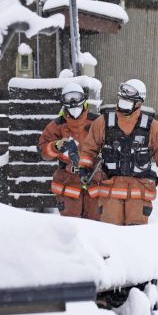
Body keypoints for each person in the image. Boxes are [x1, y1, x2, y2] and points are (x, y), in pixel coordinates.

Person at [78, 79, 158, 226]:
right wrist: (84, 169)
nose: (122, 102)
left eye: (128, 100)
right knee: (110, 232)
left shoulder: (152, 127)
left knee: (136, 234)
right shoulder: (103, 122)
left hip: (139, 190)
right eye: (121, 99)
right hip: (110, 188)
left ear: (138, 103)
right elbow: (88, 148)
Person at [37, 82, 99, 219]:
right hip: (68, 182)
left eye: (76, 97)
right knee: (71, 226)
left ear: (84, 99)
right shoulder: (57, 124)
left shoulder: (97, 122)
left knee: (96, 226)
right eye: (69, 98)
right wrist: (55, 146)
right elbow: (43, 151)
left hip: (94, 180)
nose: (73, 103)